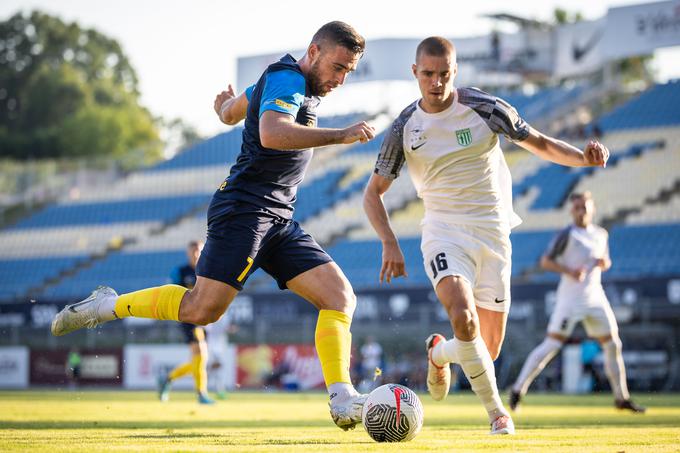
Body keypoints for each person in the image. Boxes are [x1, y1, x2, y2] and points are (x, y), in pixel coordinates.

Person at [51, 21, 375, 431]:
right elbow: (273, 134)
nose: (341, 79)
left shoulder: (277, 82)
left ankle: (342, 398)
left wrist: (225, 107)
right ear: (313, 51)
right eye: (338, 66)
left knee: (339, 297)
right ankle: (106, 305)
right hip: (244, 210)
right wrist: (341, 135)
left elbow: (230, 113)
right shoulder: (288, 78)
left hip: (278, 218)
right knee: (201, 310)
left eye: (349, 71)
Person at [362, 36, 610, 435]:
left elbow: (540, 143)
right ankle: (498, 414)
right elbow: (373, 192)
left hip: (494, 234)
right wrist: (390, 242)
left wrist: (583, 157)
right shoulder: (404, 127)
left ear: (455, 72)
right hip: (444, 233)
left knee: (484, 350)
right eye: (428, 74)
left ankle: (439, 353)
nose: (436, 82)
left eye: (444, 74)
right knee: (462, 316)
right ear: (415, 73)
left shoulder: (485, 107)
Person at [509, 192, 645, 413]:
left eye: (584, 207)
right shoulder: (567, 234)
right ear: (572, 211)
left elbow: (605, 261)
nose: (581, 211)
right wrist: (569, 271)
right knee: (551, 345)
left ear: (592, 208)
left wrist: (604, 263)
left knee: (613, 345)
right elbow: (545, 261)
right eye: (577, 207)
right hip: (570, 299)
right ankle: (517, 390)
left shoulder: (601, 234)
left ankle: (621, 398)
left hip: (595, 296)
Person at [158, 240, 214, 404]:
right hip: (188, 318)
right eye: (193, 250)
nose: (196, 253)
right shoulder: (181, 271)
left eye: (199, 250)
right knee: (200, 355)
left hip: (204, 318)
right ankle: (201, 393)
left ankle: (168, 378)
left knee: (199, 359)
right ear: (188, 252)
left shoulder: (208, 270)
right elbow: (171, 292)